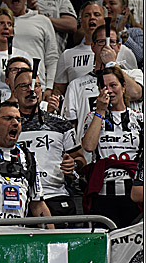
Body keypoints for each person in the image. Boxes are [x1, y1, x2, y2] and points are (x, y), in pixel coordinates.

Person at [12, 68, 83, 217]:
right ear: (14, 92)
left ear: (42, 91)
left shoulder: (61, 124)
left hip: (55, 196)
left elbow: (80, 159)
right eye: (25, 86)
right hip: (17, 198)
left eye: (36, 85)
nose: (31, 90)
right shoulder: (7, 124)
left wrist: (73, 164)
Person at [80, 67, 143, 228]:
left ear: (123, 86)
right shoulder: (92, 117)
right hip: (103, 193)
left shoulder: (139, 118)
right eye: (104, 87)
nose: (109, 91)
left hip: (133, 193)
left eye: (113, 85)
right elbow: (88, 146)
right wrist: (100, 111)